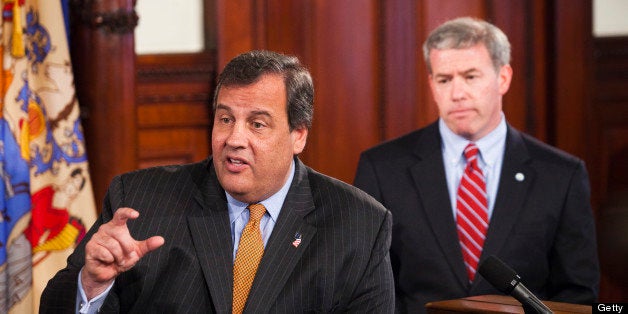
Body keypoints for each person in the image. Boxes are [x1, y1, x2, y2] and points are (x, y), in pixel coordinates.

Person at [40, 50, 394, 313]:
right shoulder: (139, 201)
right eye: (225, 119)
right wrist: (93, 283)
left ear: (298, 135)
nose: (233, 138)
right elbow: (54, 305)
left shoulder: (358, 223)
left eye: (257, 124)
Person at [353, 17, 599, 313]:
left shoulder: (561, 175)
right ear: (432, 84)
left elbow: (577, 294)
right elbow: (366, 288)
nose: (457, 94)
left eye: (471, 77)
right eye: (444, 80)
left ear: (503, 78)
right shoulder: (382, 168)